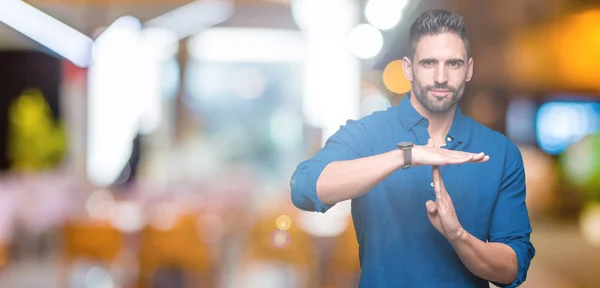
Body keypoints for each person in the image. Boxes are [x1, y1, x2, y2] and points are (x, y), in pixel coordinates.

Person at [290, 9, 535, 288]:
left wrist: (458, 235)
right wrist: (406, 155)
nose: (441, 77)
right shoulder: (368, 133)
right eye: (429, 63)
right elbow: (304, 188)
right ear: (409, 68)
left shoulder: (499, 152)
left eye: (453, 64)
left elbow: (512, 268)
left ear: (468, 70)